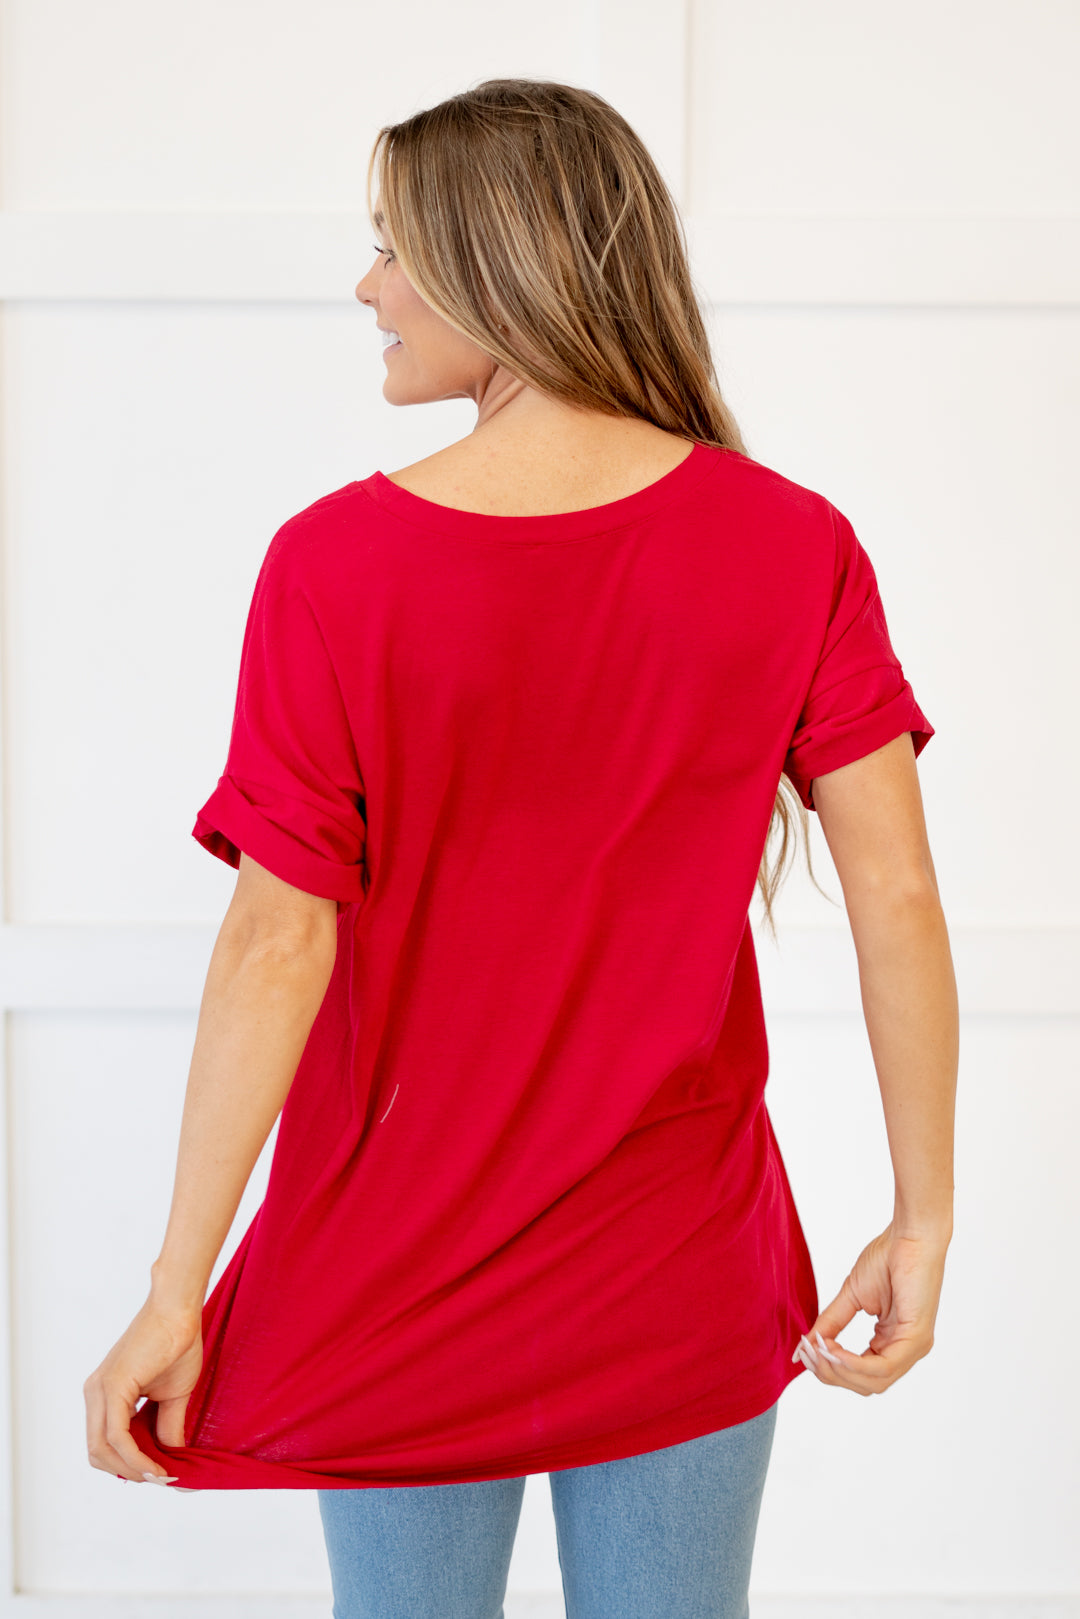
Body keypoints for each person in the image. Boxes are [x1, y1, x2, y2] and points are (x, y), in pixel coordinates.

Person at [83, 79, 957, 1619]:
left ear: (495, 263)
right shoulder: (791, 540)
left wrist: (176, 1287)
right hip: (680, 1263)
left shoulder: (335, 568)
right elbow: (894, 889)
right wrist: (924, 1211)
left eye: (392, 248)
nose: (368, 289)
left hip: (396, 1272)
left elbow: (279, 941)